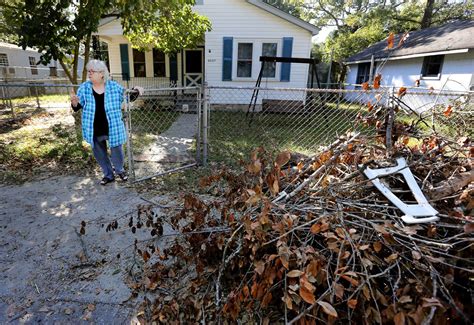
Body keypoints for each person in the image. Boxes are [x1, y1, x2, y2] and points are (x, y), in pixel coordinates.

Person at [70, 59, 143, 185]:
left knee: (117, 150)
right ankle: (108, 174)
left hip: (112, 125)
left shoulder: (113, 86)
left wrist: (136, 89)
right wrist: (75, 103)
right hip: (93, 127)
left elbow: (127, 96)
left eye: (92, 71)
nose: (89, 73)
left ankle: (120, 170)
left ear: (102, 73)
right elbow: (77, 106)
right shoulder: (84, 88)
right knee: (99, 153)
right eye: (89, 71)